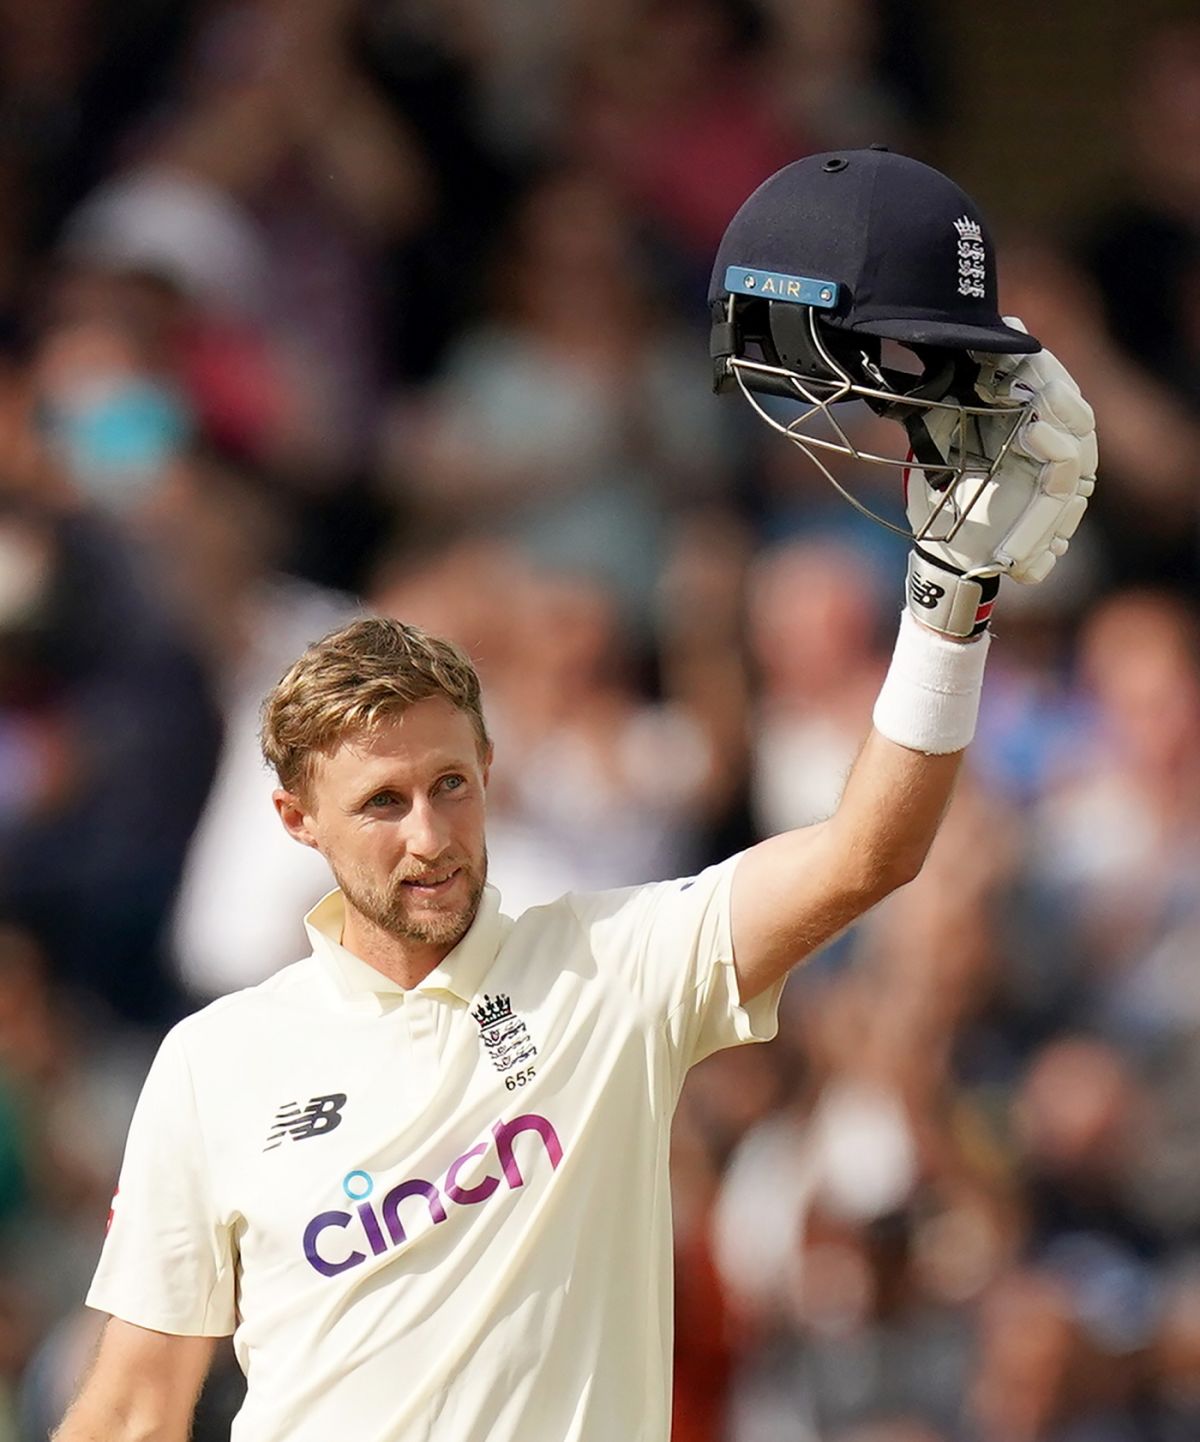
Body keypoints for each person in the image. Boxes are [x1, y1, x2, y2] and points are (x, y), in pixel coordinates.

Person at [53, 149, 1096, 1442]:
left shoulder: (612, 969)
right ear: (296, 822)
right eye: (382, 803)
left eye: (453, 785)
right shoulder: (212, 1066)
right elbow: (132, 1409)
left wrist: (949, 601)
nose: (431, 835)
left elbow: (871, 850)